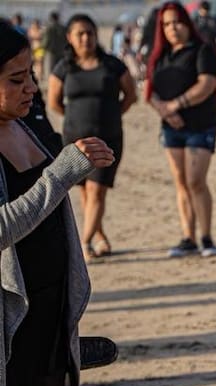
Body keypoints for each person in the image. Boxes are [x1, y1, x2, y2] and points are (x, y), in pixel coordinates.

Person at [0, 22, 114, 386]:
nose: (29, 89)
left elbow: (50, 197)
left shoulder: (26, 124)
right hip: (4, 316)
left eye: (28, 75)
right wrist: (61, 174)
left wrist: (81, 162)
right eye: (14, 79)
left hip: (42, 309)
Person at [45, 14, 137, 261]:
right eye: (80, 34)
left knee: (97, 191)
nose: (86, 38)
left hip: (108, 137)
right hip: (75, 140)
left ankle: (83, 244)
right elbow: (54, 102)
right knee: (85, 193)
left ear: (96, 35)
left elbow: (130, 95)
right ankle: (100, 236)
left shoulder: (112, 64)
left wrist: (112, 114)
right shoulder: (64, 67)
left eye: (90, 33)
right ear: (70, 38)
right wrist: (75, 119)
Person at [145, 1, 216, 258]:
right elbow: (150, 92)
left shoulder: (202, 50)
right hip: (171, 127)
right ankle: (188, 236)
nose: (172, 28)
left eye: (177, 22)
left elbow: (207, 84)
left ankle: (207, 237)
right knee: (181, 182)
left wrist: (176, 105)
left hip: (200, 124)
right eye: (166, 24)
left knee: (196, 180)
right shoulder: (160, 55)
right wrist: (165, 111)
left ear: (187, 23)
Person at [40, 13, 65, 82]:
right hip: (61, 52)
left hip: (50, 52)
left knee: (50, 70)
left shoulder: (49, 28)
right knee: (60, 69)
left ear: (51, 18)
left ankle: (51, 86)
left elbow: (46, 40)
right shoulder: (63, 27)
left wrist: (42, 48)